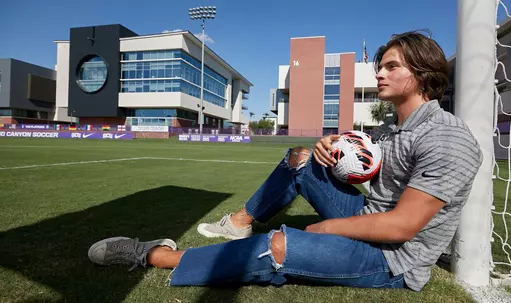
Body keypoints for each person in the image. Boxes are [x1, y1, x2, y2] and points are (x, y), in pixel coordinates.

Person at [88, 30, 483, 291]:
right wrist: (328, 151)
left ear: (423, 73)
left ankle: (154, 254)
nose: (380, 73)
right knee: (301, 157)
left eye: (391, 66)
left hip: (394, 259)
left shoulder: (447, 137)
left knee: (279, 246)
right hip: (368, 215)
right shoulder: (388, 129)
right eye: (381, 65)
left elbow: (402, 226)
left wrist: (330, 228)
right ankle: (239, 223)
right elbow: (361, 165)